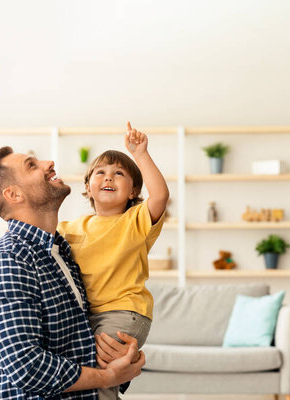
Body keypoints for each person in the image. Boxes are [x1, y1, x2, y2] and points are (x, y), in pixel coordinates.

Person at [0, 146, 145, 399]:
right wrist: (108, 377)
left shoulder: (62, 251)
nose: (49, 163)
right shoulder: (9, 259)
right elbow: (26, 367)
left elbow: (79, 344)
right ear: (13, 194)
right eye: (32, 165)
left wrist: (120, 358)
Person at [58, 122, 169, 399]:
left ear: (133, 192)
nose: (109, 178)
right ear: (88, 187)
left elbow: (160, 196)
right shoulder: (69, 227)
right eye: (101, 173)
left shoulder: (135, 221)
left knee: (101, 375)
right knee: (88, 376)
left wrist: (140, 154)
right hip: (87, 316)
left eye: (119, 174)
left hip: (124, 311)